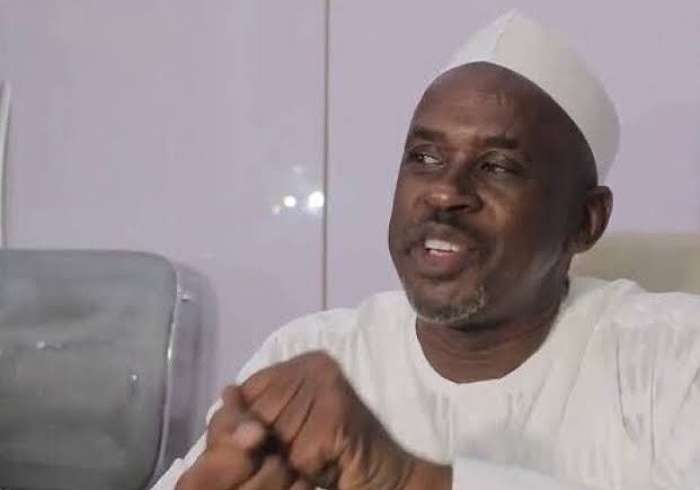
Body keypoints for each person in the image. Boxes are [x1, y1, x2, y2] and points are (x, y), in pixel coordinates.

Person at [153, 10, 700, 490]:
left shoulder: (675, 359)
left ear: (585, 221)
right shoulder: (314, 354)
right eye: (425, 158)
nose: (443, 192)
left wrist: (405, 480)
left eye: (497, 166)